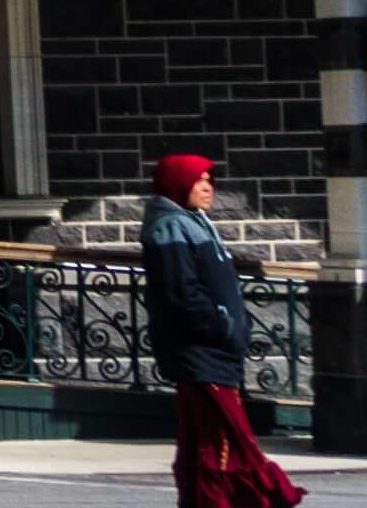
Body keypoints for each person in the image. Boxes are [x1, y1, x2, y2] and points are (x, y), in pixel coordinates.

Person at [141, 152, 303, 508]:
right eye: (200, 181)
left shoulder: (192, 222)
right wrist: (222, 326)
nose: (208, 188)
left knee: (200, 441)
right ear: (180, 183)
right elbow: (182, 292)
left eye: (210, 181)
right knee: (225, 442)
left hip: (211, 352)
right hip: (201, 352)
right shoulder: (171, 227)